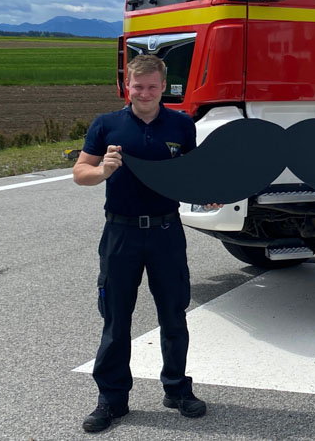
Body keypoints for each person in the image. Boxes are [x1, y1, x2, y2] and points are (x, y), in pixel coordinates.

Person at [72, 55, 206, 432]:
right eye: (137, 86)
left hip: (166, 232)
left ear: (164, 87)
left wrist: (209, 192)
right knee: (116, 319)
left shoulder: (181, 124)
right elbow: (80, 172)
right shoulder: (107, 125)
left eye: (152, 86)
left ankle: (177, 388)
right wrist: (102, 171)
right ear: (126, 86)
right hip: (121, 233)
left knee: (173, 315)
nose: (144, 93)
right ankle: (112, 400)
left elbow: (192, 174)